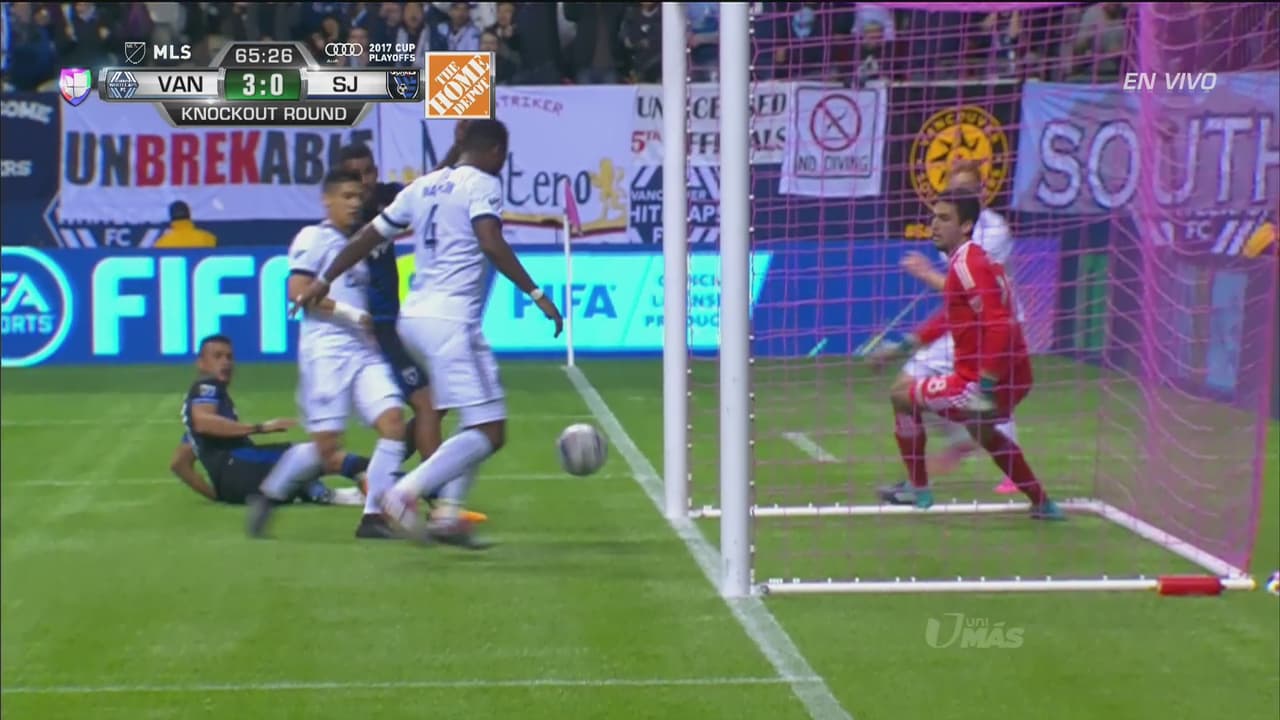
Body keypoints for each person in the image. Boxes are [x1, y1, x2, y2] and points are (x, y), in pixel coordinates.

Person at [291, 119, 564, 548]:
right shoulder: (483, 184)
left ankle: (447, 515)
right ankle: (402, 494)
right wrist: (537, 293)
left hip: (414, 318)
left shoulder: (424, 186)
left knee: (467, 416)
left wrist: (324, 279)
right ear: (496, 152)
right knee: (490, 430)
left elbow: (366, 237)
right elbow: (490, 241)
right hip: (451, 322)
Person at [869, 188, 1064, 521]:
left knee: (900, 396)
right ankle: (1043, 503)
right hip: (1016, 376)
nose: (934, 224)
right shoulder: (977, 262)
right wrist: (903, 346)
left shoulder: (966, 266)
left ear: (966, 226)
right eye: (934, 216)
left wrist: (983, 386)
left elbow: (1000, 325)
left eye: (945, 218)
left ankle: (917, 489)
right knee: (983, 432)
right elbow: (954, 316)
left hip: (982, 380)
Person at [246, 170, 409, 540]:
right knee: (326, 449)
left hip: (362, 351)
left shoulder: (357, 244)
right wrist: (352, 315)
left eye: (359, 197)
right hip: (326, 352)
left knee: (393, 424)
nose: (355, 204)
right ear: (327, 200)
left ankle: (373, 518)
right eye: (347, 196)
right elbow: (298, 292)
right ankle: (269, 495)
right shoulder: (313, 238)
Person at [896, 160, 1022, 494]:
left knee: (993, 395)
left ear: (981, 192)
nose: (961, 194)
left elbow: (967, 288)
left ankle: (1013, 472)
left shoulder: (994, 232)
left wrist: (926, 274)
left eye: (967, 188)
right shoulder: (950, 225)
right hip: (965, 321)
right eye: (955, 189)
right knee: (908, 383)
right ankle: (960, 442)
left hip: (995, 324)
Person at [172, 334, 368, 506]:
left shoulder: (206, 409)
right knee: (315, 453)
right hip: (240, 467)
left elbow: (179, 463)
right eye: (217, 356)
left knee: (291, 464)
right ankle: (378, 481)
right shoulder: (207, 386)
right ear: (201, 363)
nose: (226, 362)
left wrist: (218, 494)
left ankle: (321, 493)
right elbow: (204, 422)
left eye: (229, 357)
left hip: (234, 483)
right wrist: (260, 428)